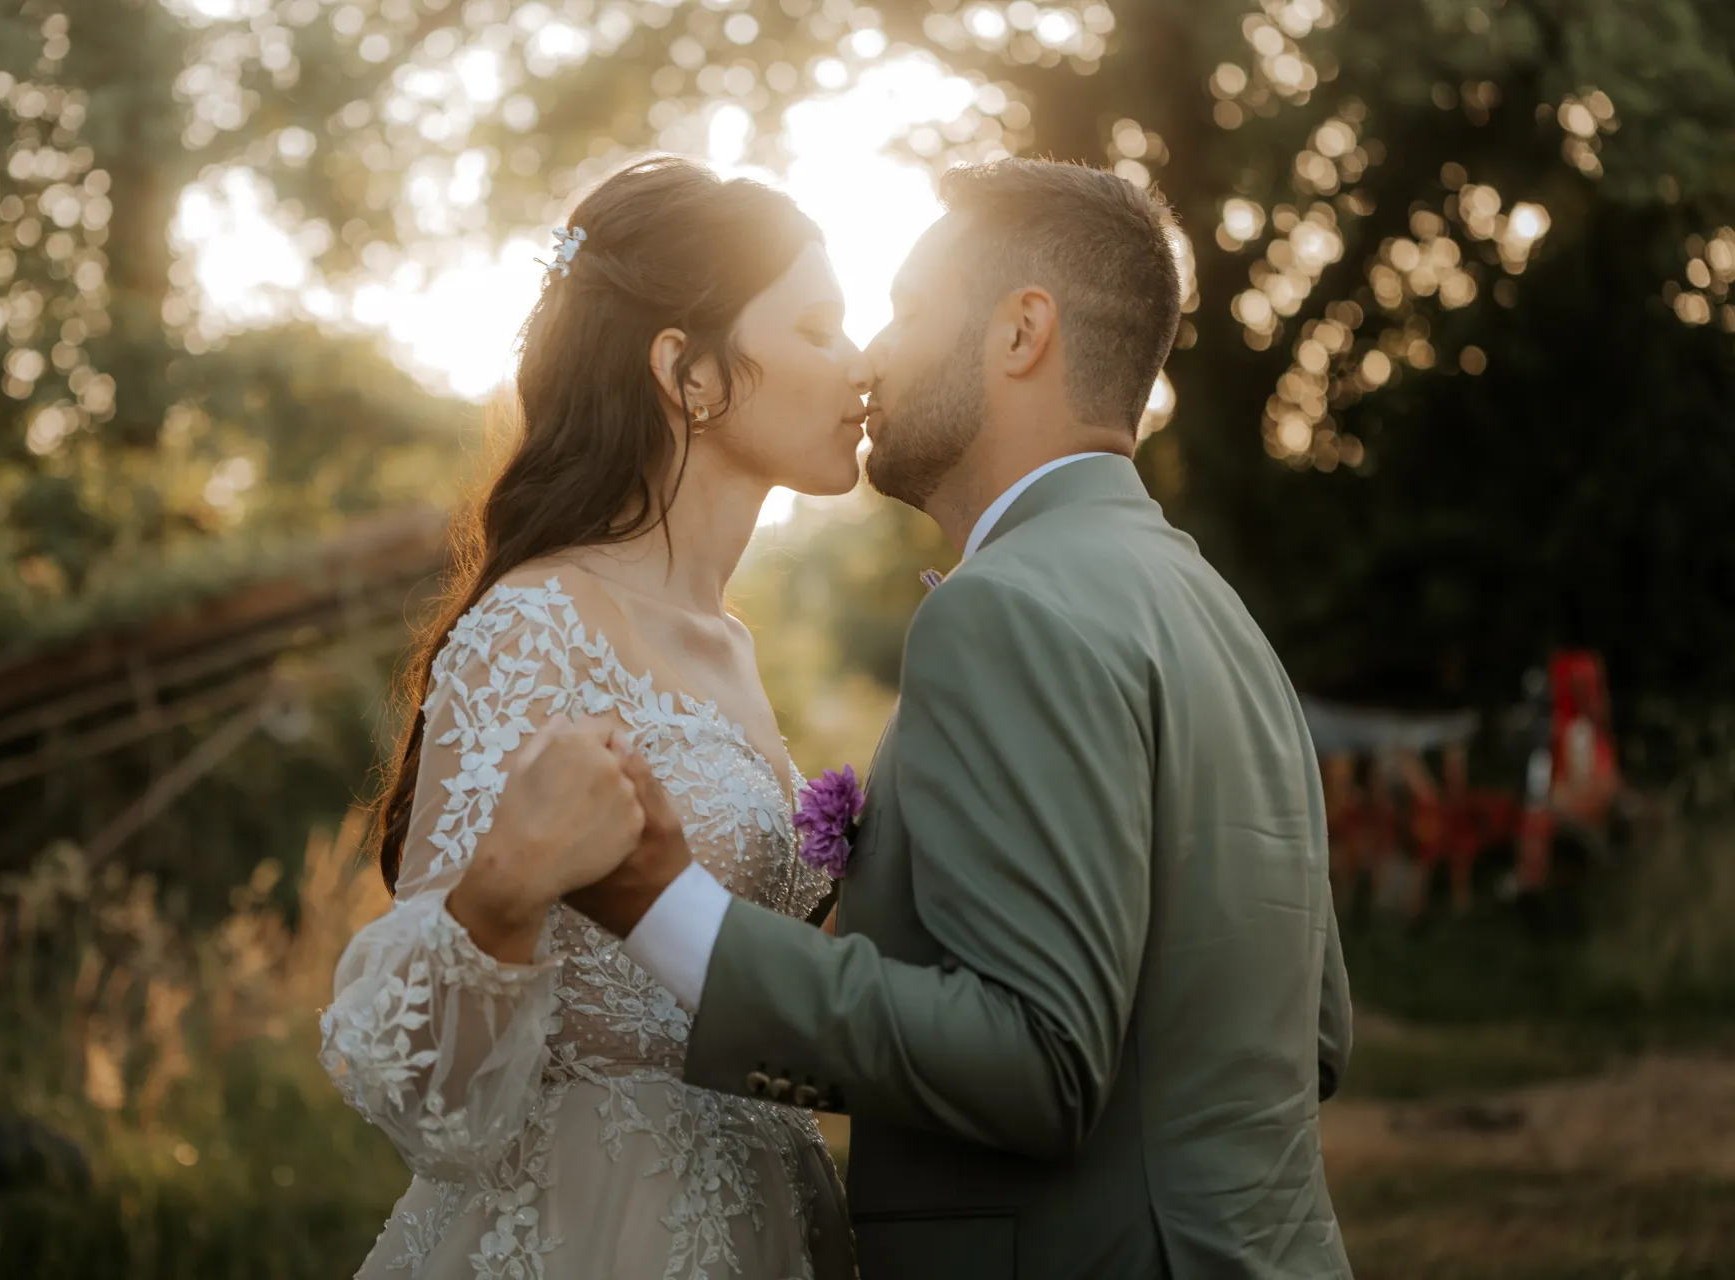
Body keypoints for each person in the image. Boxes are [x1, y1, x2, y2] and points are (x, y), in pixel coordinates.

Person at [557, 159, 1355, 1278]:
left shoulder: (1007, 607)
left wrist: (667, 907)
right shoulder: (1213, 610)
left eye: (907, 309)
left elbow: (1038, 1059)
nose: (873, 355)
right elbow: (1309, 1029)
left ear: (1021, 331)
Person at [317, 157, 870, 1279]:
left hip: (764, 1211)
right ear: (688, 370)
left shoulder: (732, 642)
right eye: (819, 326)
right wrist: (503, 890)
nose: (861, 363)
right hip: (585, 1224)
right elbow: (418, 1090)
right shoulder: (534, 629)